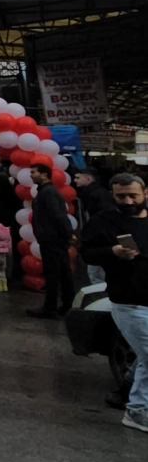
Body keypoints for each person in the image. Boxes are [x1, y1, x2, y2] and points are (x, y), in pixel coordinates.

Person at [77, 174, 148, 431]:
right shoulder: (102, 222)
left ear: (145, 194)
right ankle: (137, 411)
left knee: (145, 356)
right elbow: (86, 253)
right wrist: (112, 252)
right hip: (129, 303)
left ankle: (126, 389)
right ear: (112, 195)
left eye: (133, 195)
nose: (128, 201)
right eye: (121, 196)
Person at [27, 163, 75, 318]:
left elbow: (58, 215)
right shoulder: (47, 192)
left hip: (52, 239)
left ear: (44, 174)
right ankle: (65, 305)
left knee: (55, 274)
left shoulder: (48, 193)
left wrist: (68, 233)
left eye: (34, 172)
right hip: (52, 238)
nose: (31, 175)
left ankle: (52, 307)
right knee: (61, 273)